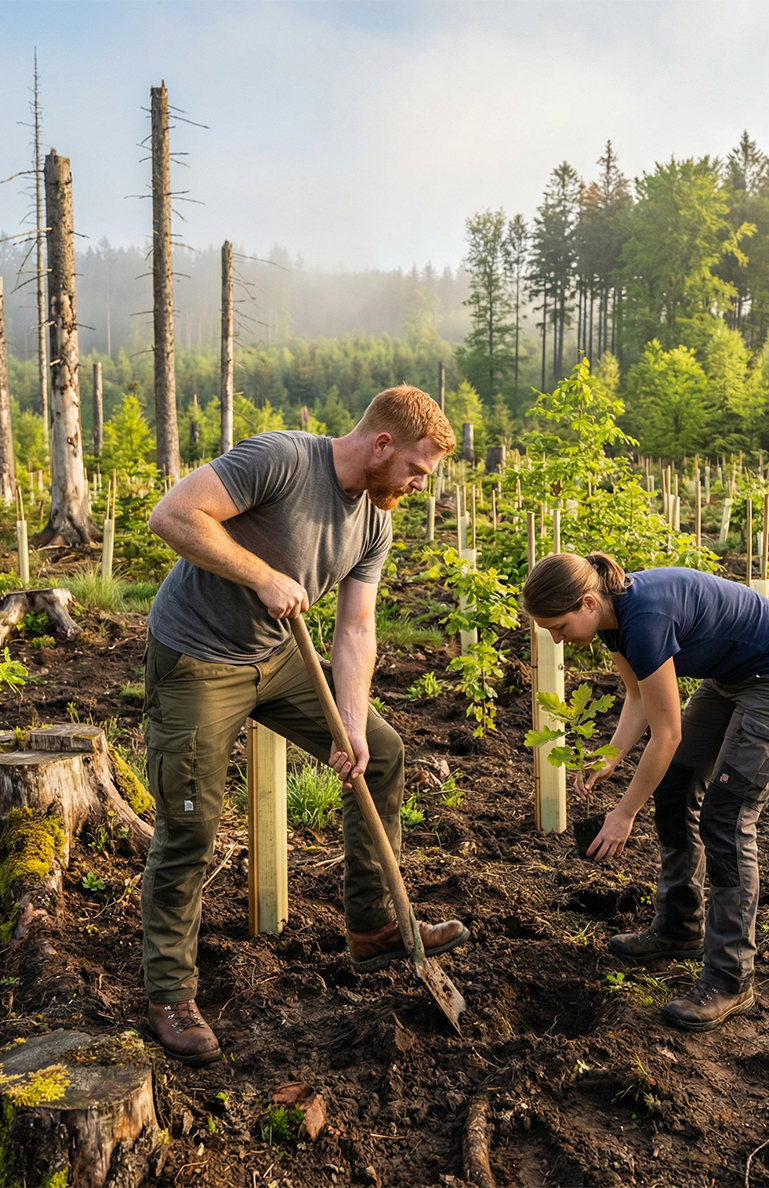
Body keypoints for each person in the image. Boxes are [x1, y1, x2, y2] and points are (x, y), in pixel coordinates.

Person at [140, 385, 470, 1065]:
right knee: (193, 820)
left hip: (281, 659)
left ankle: (374, 927)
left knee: (379, 752)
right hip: (199, 656)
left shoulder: (374, 521)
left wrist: (349, 722)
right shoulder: (282, 459)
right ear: (382, 444)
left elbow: (356, 629)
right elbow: (171, 515)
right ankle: (170, 992)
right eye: (415, 469)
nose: (416, 485)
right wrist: (261, 575)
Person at [523, 552, 769, 1032]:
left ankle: (730, 977)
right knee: (676, 789)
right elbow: (638, 697)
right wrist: (613, 755)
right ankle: (680, 929)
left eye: (557, 627)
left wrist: (623, 814)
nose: (556, 640)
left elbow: (668, 736)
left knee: (726, 819)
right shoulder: (611, 618)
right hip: (733, 678)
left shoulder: (644, 620)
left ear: (586, 601)